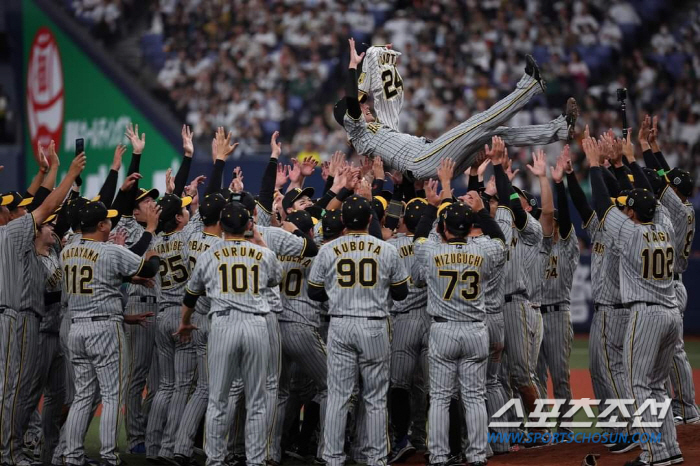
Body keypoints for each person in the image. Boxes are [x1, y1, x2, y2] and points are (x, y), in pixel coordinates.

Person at [334, 38, 577, 181]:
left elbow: (373, 92)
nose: (365, 105)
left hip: (430, 157)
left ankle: (558, 129)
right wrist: (352, 66)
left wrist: (377, 61)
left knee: (496, 134)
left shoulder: (372, 130)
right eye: (359, 105)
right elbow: (353, 100)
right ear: (347, 118)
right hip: (424, 160)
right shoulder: (358, 132)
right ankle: (530, 86)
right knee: (481, 122)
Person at [585, 132, 683, 466]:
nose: (624, 212)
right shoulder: (665, 227)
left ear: (634, 214)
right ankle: (668, 448)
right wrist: (627, 161)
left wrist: (595, 167)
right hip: (671, 313)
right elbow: (652, 198)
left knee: (639, 384)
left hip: (645, 314)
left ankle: (652, 453)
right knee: (656, 387)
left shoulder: (632, 232)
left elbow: (602, 204)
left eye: (629, 209)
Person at [176, 201, 282, 466]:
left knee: (218, 398)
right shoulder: (262, 253)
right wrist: (259, 242)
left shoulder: (209, 254)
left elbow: (191, 296)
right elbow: (276, 278)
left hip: (223, 324)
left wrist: (185, 322)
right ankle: (256, 461)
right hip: (256, 324)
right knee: (257, 399)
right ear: (249, 224)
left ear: (221, 226)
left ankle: (215, 460)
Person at [307, 195, 409, 466]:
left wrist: (338, 291)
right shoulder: (386, 249)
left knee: (339, 394)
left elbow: (313, 292)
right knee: (375, 396)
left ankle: (332, 457)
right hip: (374, 325)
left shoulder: (328, 250)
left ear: (342, 221)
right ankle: (376, 458)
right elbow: (401, 293)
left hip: (340, 323)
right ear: (369, 221)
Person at [60, 201, 160, 466]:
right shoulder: (110, 251)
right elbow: (148, 269)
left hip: (76, 327)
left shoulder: (67, 251)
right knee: (112, 394)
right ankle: (109, 456)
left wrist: (128, 279)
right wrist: (151, 231)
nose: (110, 223)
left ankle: (71, 456)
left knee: (83, 396)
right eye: (107, 220)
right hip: (104, 328)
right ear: (102, 225)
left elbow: (101, 277)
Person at [412, 193, 506, 466]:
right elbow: (500, 239)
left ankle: (440, 456)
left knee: (440, 398)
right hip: (476, 329)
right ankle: (477, 455)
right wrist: (482, 213)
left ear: (443, 228)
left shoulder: (432, 251)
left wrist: (431, 205)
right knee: (475, 397)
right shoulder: (483, 250)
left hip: (443, 330)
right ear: (469, 227)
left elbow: (418, 237)